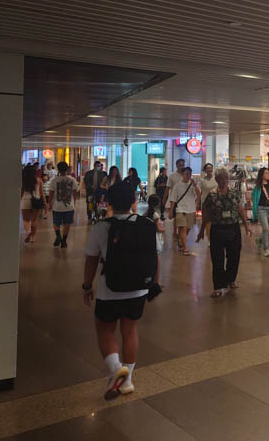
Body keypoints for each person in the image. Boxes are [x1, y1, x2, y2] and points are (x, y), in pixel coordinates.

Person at [83, 182, 161, 401]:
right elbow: (155, 257)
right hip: (138, 289)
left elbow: (91, 260)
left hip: (109, 289)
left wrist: (87, 286)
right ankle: (127, 381)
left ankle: (116, 369)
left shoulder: (102, 227)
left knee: (105, 331)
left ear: (109, 202)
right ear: (134, 201)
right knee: (130, 331)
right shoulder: (147, 224)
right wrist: (154, 284)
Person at [203, 168, 252, 297]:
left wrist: (246, 226)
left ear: (228, 179)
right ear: (216, 180)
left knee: (234, 256)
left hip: (233, 228)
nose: (223, 181)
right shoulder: (211, 195)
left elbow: (241, 210)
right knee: (217, 259)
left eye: (225, 178)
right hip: (217, 229)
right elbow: (206, 213)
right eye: (220, 179)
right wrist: (202, 229)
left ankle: (231, 279)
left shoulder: (235, 193)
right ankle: (218, 287)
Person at [167, 166, 199, 256]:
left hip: (191, 210)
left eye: (190, 174)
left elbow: (198, 194)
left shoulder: (192, 185)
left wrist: (195, 185)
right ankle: (185, 248)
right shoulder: (177, 186)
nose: (188, 176)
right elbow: (173, 199)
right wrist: (171, 211)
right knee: (183, 228)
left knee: (188, 229)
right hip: (180, 210)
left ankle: (181, 241)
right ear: (182, 175)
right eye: (186, 174)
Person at [48, 161, 79, 248]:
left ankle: (58, 236)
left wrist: (49, 204)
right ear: (67, 169)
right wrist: (74, 203)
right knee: (67, 223)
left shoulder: (54, 180)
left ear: (58, 169)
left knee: (56, 223)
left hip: (57, 206)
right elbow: (74, 194)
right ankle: (64, 241)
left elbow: (51, 194)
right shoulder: (72, 180)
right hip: (69, 206)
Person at [251, 167, 269, 257]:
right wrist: (255, 214)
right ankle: (266, 249)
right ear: (261, 175)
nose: (268, 174)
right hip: (261, 209)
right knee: (266, 229)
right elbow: (254, 200)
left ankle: (259, 241)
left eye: (268, 173)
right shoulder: (257, 187)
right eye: (266, 173)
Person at [163, 159, 186, 245]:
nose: (182, 167)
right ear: (176, 166)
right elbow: (168, 188)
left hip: (184, 200)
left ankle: (180, 233)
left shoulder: (186, 175)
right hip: (174, 200)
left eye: (183, 165)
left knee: (182, 217)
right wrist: (164, 199)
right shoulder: (172, 176)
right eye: (180, 165)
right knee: (176, 217)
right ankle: (175, 232)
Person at [20, 164, 45, 243]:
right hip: (36, 200)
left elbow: (21, 191)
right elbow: (42, 192)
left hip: (25, 200)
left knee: (26, 220)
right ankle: (32, 238)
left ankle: (28, 233)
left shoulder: (23, 180)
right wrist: (45, 203)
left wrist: (19, 199)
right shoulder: (39, 180)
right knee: (34, 220)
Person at [197, 163, 217, 242]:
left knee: (215, 221)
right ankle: (209, 239)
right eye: (208, 168)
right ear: (205, 170)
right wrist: (198, 202)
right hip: (206, 203)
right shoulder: (202, 180)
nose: (209, 169)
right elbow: (199, 192)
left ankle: (216, 238)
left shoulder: (216, 178)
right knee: (206, 221)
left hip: (216, 202)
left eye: (211, 168)